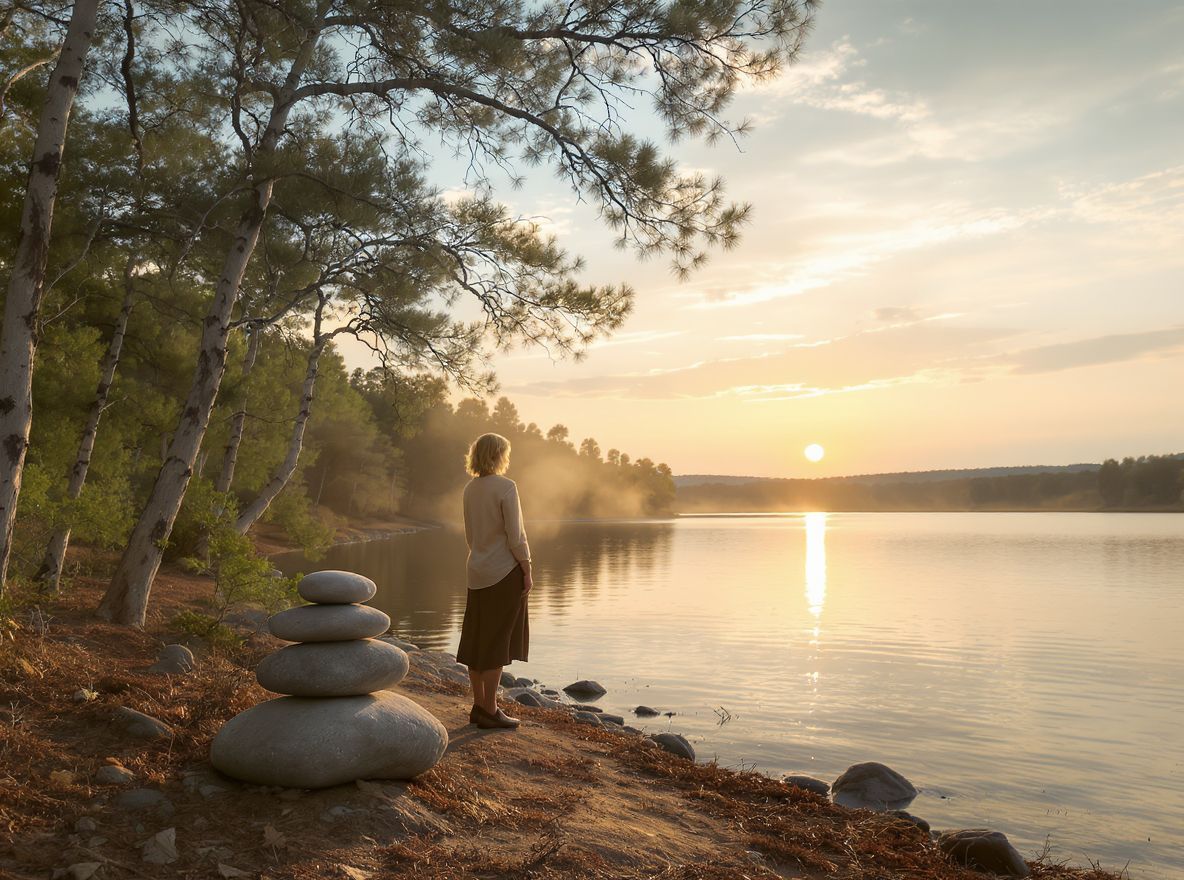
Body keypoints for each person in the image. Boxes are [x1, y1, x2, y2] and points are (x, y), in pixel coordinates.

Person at [456, 432, 532, 730]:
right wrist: (527, 568)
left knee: (478, 641)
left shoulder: (469, 489)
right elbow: (516, 536)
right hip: (503, 572)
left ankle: (478, 707)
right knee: (497, 642)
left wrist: (481, 557)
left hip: (476, 571)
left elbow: (470, 536)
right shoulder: (506, 487)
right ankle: (490, 709)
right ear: (499, 455)